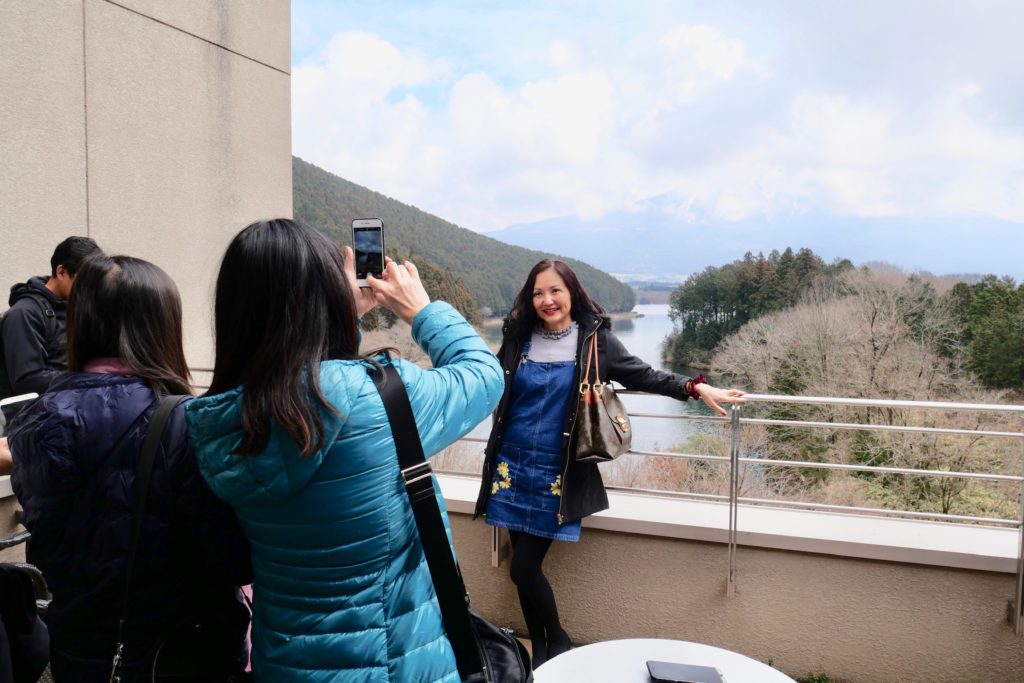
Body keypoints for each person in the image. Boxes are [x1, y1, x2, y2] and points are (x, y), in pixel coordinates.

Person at [184, 219, 503, 682]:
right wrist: (422, 310)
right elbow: (483, 374)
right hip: (395, 665)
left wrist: (339, 317)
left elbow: (294, 367)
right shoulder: (380, 397)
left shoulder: (218, 421)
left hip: (285, 664)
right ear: (326, 299)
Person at [473, 259, 745, 665]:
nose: (547, 300)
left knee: (523, 569)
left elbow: (643, 375)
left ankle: (559, 640)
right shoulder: (518, 337)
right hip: (511, 465)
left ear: (571, 293)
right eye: (537, 293)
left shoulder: (594, 341)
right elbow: (490, 380)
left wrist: (695, 386)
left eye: (555, 291)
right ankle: (543, 653)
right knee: (524, 572)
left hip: (558, 472)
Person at [7, 254, 252, 682]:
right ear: (161, 328)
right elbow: (232, 558)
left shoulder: (33, 424)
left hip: (77, 652)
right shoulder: (183, 422)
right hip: (174, 655)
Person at [0, 236, 103, 399]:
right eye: (84, 281)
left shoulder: (78, 307)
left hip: (71, 408)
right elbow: (27, 380)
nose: (90, 289)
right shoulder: (24, 313)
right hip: (35, 418)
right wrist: (86, 380)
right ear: (61, 272)